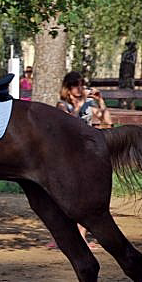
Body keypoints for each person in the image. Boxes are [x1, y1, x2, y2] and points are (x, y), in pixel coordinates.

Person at [46, 71, 111, 249]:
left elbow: (107, 121)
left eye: (81, 84)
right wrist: (80, 104)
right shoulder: (62, 105)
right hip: (65, 154)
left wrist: (100, 101)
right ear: (68, 88)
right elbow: (69, 123)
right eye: (76, 85)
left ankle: (81, 237)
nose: (80, 88)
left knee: (86, 196)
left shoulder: (89, 104)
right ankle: (61, 236)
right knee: (62, 197)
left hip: (85, 153)